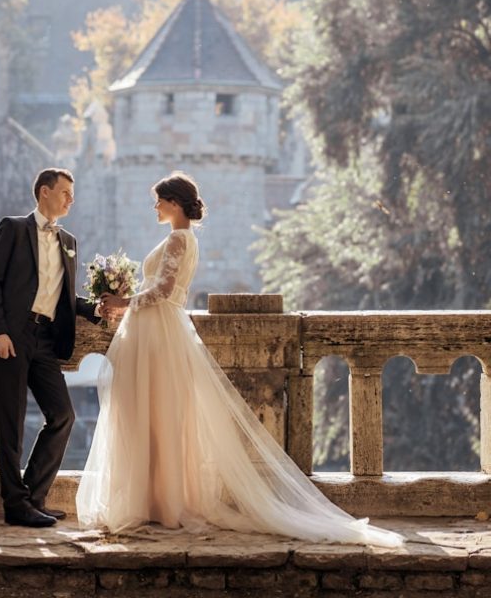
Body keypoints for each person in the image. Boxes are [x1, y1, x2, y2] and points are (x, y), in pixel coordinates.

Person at [76, 172, 402, 547]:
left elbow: (164, 291)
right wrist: (124, 306)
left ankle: (162, 504)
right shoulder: (183, 239)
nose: (155, 207)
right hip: (158, 333)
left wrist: (122, 303)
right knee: (154, 416)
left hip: (159, 334)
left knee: (158, 416)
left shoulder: (179, 240)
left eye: (160, 201)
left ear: (175, 203)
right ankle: (156, 501)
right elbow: (161, 290)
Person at [0, 168, 101, 527]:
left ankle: (32, 496)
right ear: (44, 192)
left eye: (72, 193)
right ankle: (15, 507)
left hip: (46, 340)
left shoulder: (69, 241)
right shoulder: (13, 228)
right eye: (65, 192)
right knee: (11, 423)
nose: (71, 199)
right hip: (11, 338)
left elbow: (64, 296)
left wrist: (95, 309)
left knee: (63, 415)